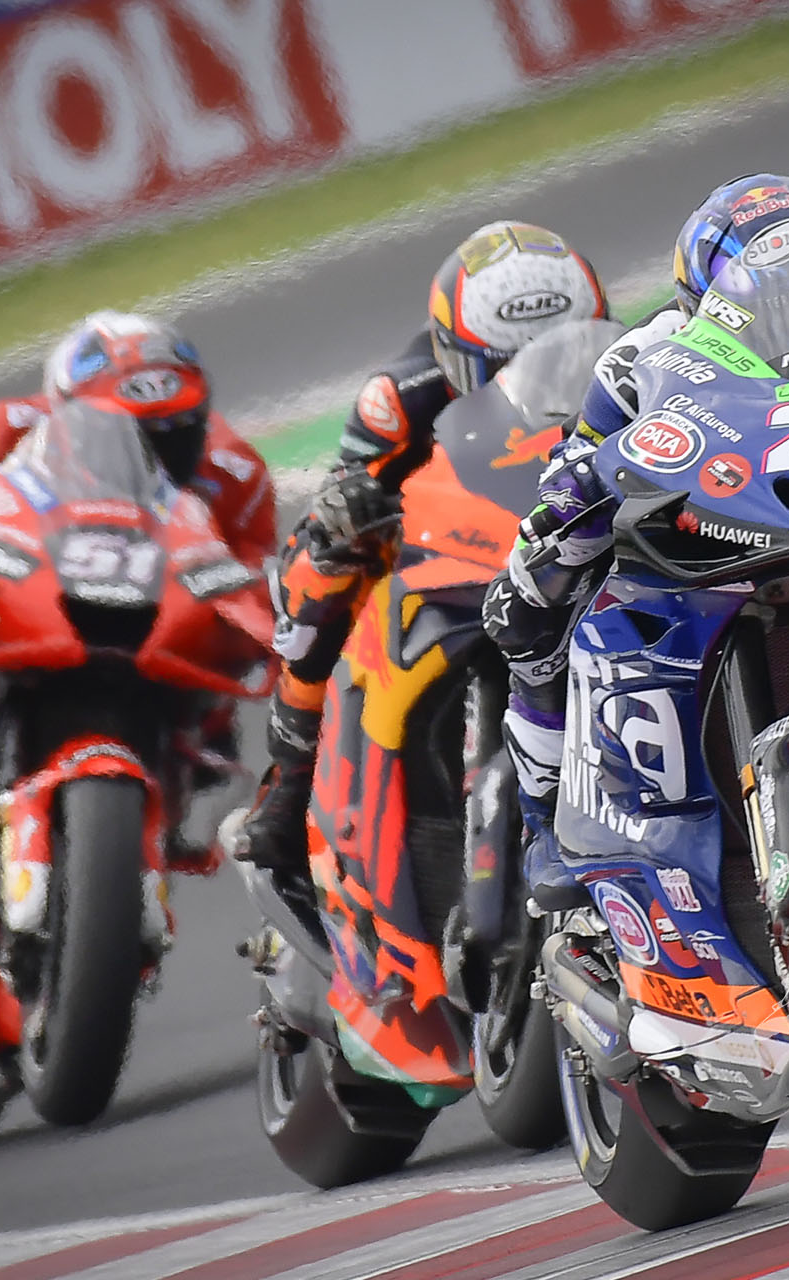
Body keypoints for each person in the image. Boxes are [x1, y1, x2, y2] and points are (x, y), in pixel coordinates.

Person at [481, 178, 789, 904]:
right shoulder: (641, 354)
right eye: (777, 302)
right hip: (724, 532)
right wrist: (566, 510)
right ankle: (544, 817)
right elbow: (577, 459)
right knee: (526, 602)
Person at [0, 312, 275, 933]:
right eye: (135, 431)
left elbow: (258, 576)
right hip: (35, 604)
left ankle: (191, 765)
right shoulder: (6, 428)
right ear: (65, 412)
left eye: (179, 428)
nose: (161, 449)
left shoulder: (236, 471)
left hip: (158, 631)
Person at [232, 221, 610, 889]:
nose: (538, 377)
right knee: (319, 573)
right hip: (463, 552)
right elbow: (338, 498)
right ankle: (289, 781)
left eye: (561, 352)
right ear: (458, 357)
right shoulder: (399, 398)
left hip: (578, 531)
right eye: (504, 364)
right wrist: (347, 514)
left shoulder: (630, 363)